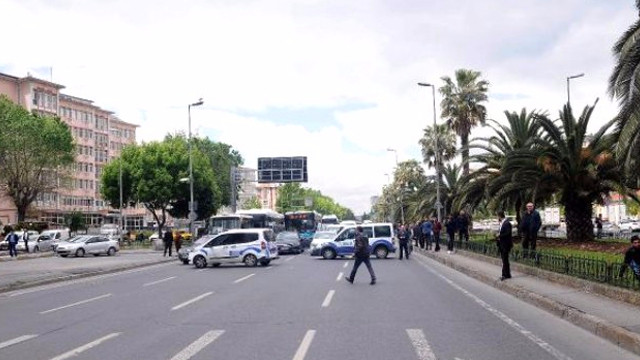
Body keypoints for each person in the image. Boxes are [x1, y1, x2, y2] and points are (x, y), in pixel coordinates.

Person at [496, 211, 513, 281]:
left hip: (506, 244)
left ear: (500, 216)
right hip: (502, 244)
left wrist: (499, 235)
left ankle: (504, 275)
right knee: (504, 260)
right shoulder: (502, 223)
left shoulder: (507, 223)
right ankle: (508, 274)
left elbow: (508, 233)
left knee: (505, 260)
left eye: (497, 216)